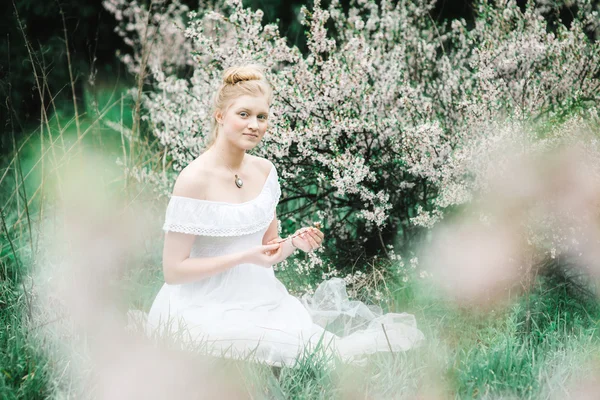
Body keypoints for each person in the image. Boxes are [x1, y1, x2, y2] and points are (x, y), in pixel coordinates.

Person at [145, 64, 424, 367]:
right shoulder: (194, 179)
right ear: (220, 115)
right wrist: (243, 257)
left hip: (262, 298)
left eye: (261, 117)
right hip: (202, 304)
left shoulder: (265, 171)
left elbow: (268, 249)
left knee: (321, 355)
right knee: (248, 354)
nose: (254, 124)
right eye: (244, 114)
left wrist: (294, 242)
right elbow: (174, 271)